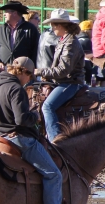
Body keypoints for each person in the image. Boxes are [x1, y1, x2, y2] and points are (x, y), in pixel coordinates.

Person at [0, 56, 77, 204]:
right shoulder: (16, 89)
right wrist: (34, 115)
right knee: (53, 175)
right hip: (19, 139)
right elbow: (21, 120)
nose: (29, 81)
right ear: (23, 72)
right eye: (29, 77)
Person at [35, 9, 86, 142]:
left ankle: (56, 139)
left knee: (47, 106)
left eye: (54, 25)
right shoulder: (64, 40)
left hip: (70, 83)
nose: (52, 28)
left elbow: (63, 70)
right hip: (64, 81)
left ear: (62, 25)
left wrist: (40, 71)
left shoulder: (70, 43)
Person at [0, 1, 40, 71]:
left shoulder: (30, 29)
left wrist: (30, 69)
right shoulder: (0, 30)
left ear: (14, 13)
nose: (4, 14)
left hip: (23, 73)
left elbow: (36, 50)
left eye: (6, 12)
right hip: (4, 72)